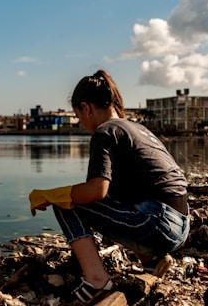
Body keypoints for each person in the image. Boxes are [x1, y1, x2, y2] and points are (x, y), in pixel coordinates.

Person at [29, 70, 190, 304]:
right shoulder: (136, 128)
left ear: (86, 108)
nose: (82, 123)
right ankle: (152, 260)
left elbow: (96, 191)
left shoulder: (105, 132)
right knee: (120, 195)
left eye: (78, 116)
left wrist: (50, 195)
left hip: (158, 226)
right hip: (181, 225)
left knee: (65, 205)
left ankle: (97, 281)